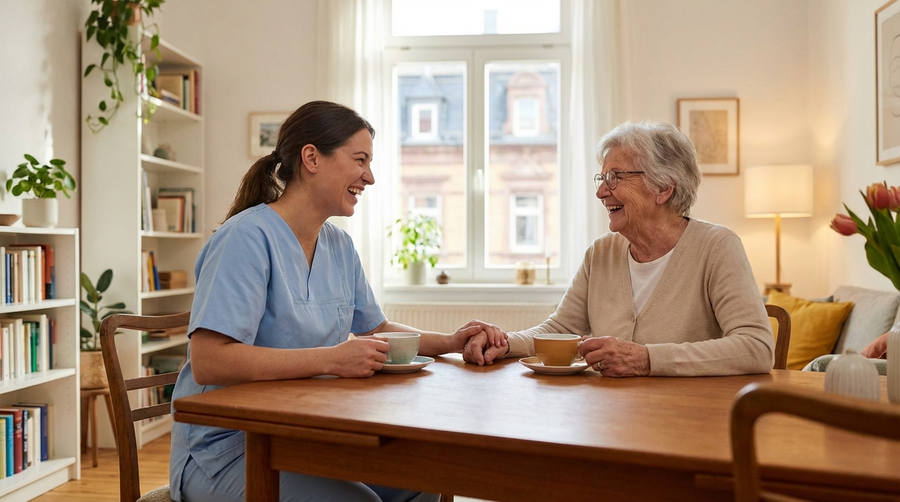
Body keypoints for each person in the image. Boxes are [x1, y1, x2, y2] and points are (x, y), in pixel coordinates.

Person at [169, 100, 505, 502]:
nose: (370, 177)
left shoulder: (338, 245)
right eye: (360, 159)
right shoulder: (246, 239)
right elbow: (210, 361)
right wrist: (332, 358)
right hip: (226, 450)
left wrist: (450, 340)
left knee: (422, 479)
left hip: (300, 435)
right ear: (311, 157)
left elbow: (376, 329)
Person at [463, 120, 774, 377]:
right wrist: (505, 342)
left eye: (615, 177)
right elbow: (560, 328)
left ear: (664, 188)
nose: (601, 191)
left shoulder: (717, 247)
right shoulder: (601, 253)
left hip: (688, 419)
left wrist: (647, 359)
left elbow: (756, 348)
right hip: (611, 414)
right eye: (602, 177)